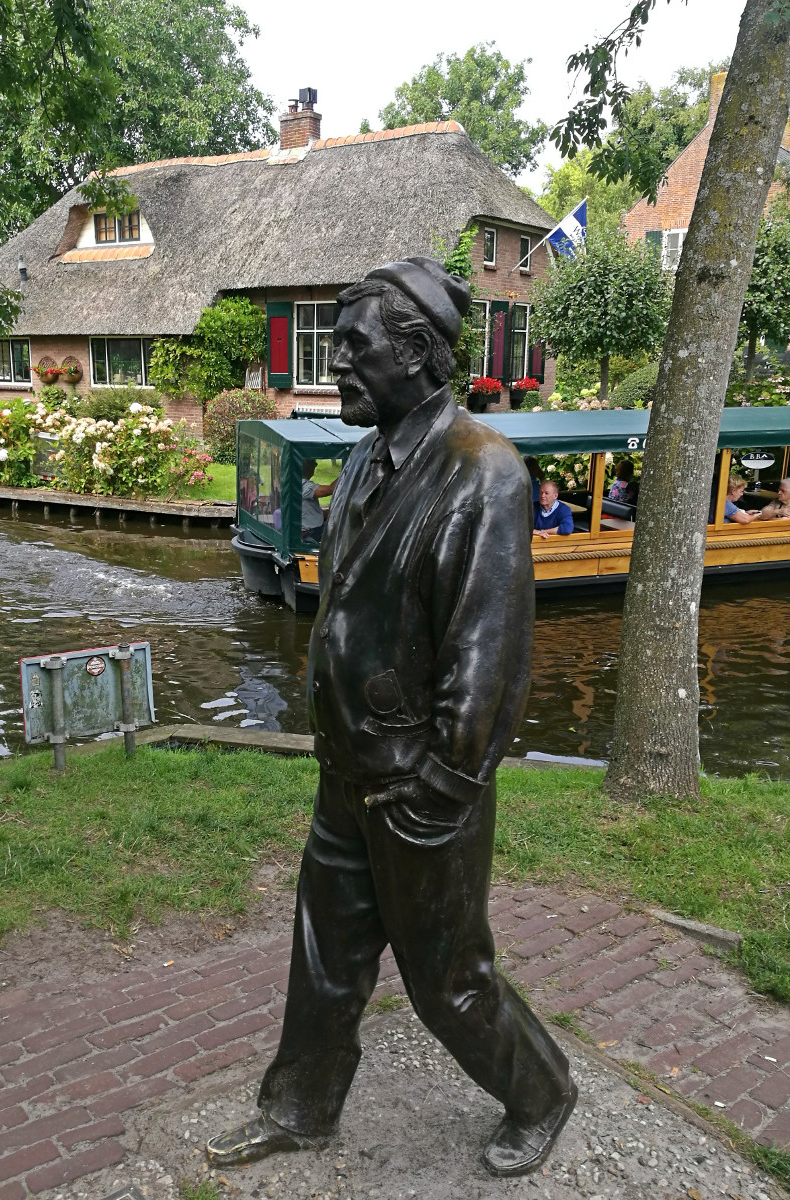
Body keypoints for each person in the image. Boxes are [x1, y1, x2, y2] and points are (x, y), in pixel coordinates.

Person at [206, 257, 575, 1180]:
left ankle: (541, 1092)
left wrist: (448, 779)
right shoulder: (371, 450)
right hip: (349, 771)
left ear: (415, 355)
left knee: (448, 982)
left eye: (353, 348)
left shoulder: (483, 473)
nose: (335, 365)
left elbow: (488, 648)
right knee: (324, 954)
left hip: (422, 783)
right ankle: (299, 1108)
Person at [301, 459, 338, 544]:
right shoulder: (302, 485)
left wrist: (330, 512)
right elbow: (329, 489)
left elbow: (307, 511)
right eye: (315, 464)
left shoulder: (293, 481)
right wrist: (348, 471)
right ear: (308, 466)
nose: (315, 467)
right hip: (310, 534)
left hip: (312, 528)